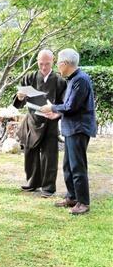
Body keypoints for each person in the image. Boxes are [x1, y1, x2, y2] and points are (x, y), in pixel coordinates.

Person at [40, 48, 97, 215]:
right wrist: (57, 114)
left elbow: (71, 106)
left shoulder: (81, 80)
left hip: (78, 129)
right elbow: (70, 107)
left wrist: (52, 107)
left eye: (58, 63)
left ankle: (83, 202)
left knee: (78, 167)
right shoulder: (73, 79)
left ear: (64, 64)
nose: (57, 66)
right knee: (68, 166)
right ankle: (72, 197)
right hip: (71, 128)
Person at [13, 49, 67, 197]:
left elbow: (65, 104)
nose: (44, 67)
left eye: (47, 64)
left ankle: (48, 187)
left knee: (49, 155)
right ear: (37, 61)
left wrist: (56, 113)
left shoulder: (60, 81)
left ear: (53, 61)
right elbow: (19, 102)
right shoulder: (29, 77)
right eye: (41, 64)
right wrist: (20, 96)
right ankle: (32, 182)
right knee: (30, 152)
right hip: (32, 120)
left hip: (50, 122)